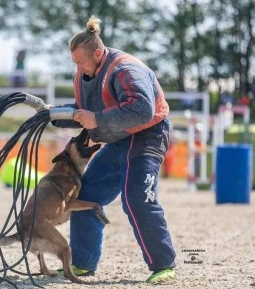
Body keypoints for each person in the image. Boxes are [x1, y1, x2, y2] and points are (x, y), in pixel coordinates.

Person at [52, 16, 176, 284]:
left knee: (136, 198)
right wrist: (50, 115)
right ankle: (83, 264)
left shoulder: (125, 70)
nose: (77, 67)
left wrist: (97, 120)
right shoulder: (88, 73)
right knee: (86, 195)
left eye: (80, 61)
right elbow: (82, 111)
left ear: (98, 53)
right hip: (121, 139)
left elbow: (143, 110)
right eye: (74, 62)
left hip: (148, 136)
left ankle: (163, 265)